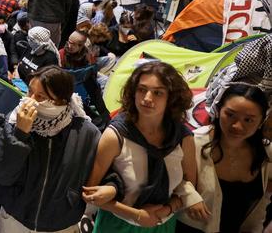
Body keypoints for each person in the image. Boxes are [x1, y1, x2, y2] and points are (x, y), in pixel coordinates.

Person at [83, 61, 202, 232]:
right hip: (117, 224)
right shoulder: (116, 135)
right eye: (141, 89)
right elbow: (90, 192)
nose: (147, 98)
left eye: (157, 93)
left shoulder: (182, 137)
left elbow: (189, 187)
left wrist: (167, 209)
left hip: (163, 224)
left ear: (171, 97)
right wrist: (136, 215)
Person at [0, 66, 100, 232]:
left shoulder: (85, 132)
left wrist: (111, 186)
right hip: (15, 218)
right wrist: (19, 134)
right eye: (29, 92)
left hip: (59, 224)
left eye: (41, 96)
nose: (30, 100)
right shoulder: (14, 120)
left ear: (61, 101)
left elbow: (104, 171)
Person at [177, 84, 272, 232]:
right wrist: (189, 194)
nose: (237, 126)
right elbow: (172, 180)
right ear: (218, 110)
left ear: (261, 121)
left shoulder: (267, 152)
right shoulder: (194, 142)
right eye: (230, 115)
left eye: (248, 120)